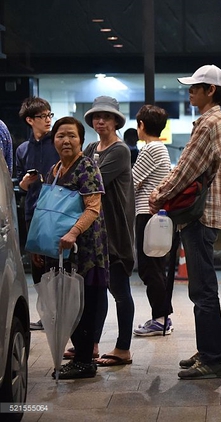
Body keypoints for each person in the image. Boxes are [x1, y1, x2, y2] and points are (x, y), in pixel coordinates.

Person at [149, 64, 221, 380]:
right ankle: (209, 350)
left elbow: (186, 169)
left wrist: (159, 193)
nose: (190, 91)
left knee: (203, 289)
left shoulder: (208, 124)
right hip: (205, 214)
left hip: (199, 215)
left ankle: (212, 358)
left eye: (196, 87)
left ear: (210, 90)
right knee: (202, 288)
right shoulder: (215, 121)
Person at [25, 117, 109, 379]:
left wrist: (73, 232)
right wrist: (38, 244)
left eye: (72, 136)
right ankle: (80, 356)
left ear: (81, 141)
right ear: (54, 141)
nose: (66, 141)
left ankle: (85, 361)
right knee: (65, 304)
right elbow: (46, 211)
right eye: (61, 136)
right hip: (59, 251)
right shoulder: (55, 169)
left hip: (85, 251)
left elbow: (94, 207)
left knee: (84, 305)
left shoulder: (87, 167)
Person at [83, 96, 136, 367]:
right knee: (97, 290)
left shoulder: (120, 150)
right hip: (96, 231)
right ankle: (91, 344)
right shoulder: (91, 147)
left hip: (115, 230)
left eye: (106, 117)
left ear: (116, 121)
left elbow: (91, 181)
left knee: (119, 289)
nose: (100, 121)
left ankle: (123, 348)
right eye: (95, 117)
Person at [15, 97, 60, 331]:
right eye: (43, 116)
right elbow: (18, 188)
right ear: (30, 120)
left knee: (59, 264)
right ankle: (46, 314)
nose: (48, 120)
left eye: (50, 115)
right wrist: (24, 183)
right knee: (38, 267)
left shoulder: (59, 142)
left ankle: (60, 314)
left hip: (58, 211)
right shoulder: (23, 149)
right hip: (33, 212)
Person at [131, 105, 173, 337]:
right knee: (155, 267)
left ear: (142, 125)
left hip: (147, 215)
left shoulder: (151, 149)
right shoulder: (160, 148)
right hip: (153, 215)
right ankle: (162, 316)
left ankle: (161, 318)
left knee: (149, 268)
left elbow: (132, 181)